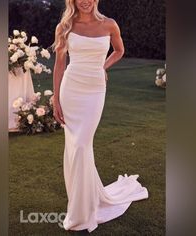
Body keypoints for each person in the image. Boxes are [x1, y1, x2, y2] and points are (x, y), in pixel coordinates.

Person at [51, 0, 148, 233]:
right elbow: (59, 66)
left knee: (83, 145)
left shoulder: (110, 25)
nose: (85, 1)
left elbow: (119, 51)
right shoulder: (65, 26)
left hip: (94, 90)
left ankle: (83, 208)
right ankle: (81, 204)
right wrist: (56, 99)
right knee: (75, 147)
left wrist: (102, 67)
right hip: (71, 89)